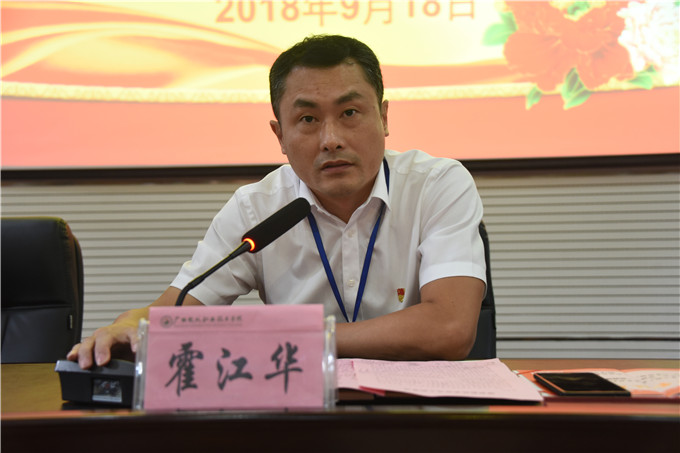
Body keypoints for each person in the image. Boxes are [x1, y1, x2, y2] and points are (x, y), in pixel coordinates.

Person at [68, 34, 486, 369]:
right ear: (280, 135)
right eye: (308, 119)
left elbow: (450, 328)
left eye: (350, 113)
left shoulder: (436, 185)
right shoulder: (256, 209)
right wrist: (127, 324)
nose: (331, 139)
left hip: (418, 412)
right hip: (301, 412)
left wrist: (295, 338)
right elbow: (175, 311)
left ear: (384, 117)